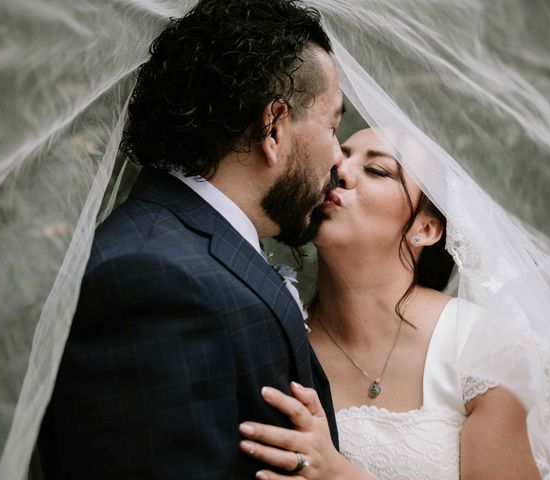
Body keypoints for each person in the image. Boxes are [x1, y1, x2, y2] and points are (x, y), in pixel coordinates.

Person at [36, 1, 345, 478]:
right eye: (332, 126)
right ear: (274, 125)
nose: (338, 157)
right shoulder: (151, 280)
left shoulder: (195, 248)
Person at [237, 128, 541, 479]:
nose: (341, 172)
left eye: (378, 171)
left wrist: (337, 474)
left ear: (425, 229)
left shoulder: (486, 349)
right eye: (340, 157)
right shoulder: (277, 339)